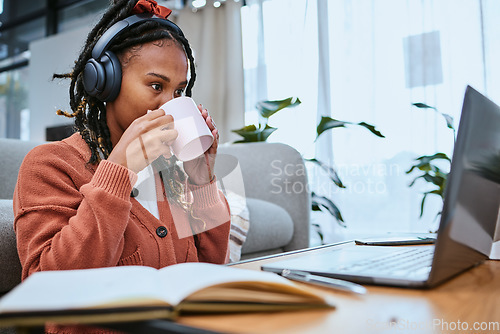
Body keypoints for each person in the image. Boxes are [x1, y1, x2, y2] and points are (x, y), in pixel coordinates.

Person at [13, 1, 231, 331]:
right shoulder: (48, 164)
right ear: (106, 82)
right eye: (156, 86)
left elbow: (213, 266)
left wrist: (202, 180)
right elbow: (50, 295)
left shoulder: (172, 170)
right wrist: (118, 171)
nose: (171, 104)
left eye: (180, 90)